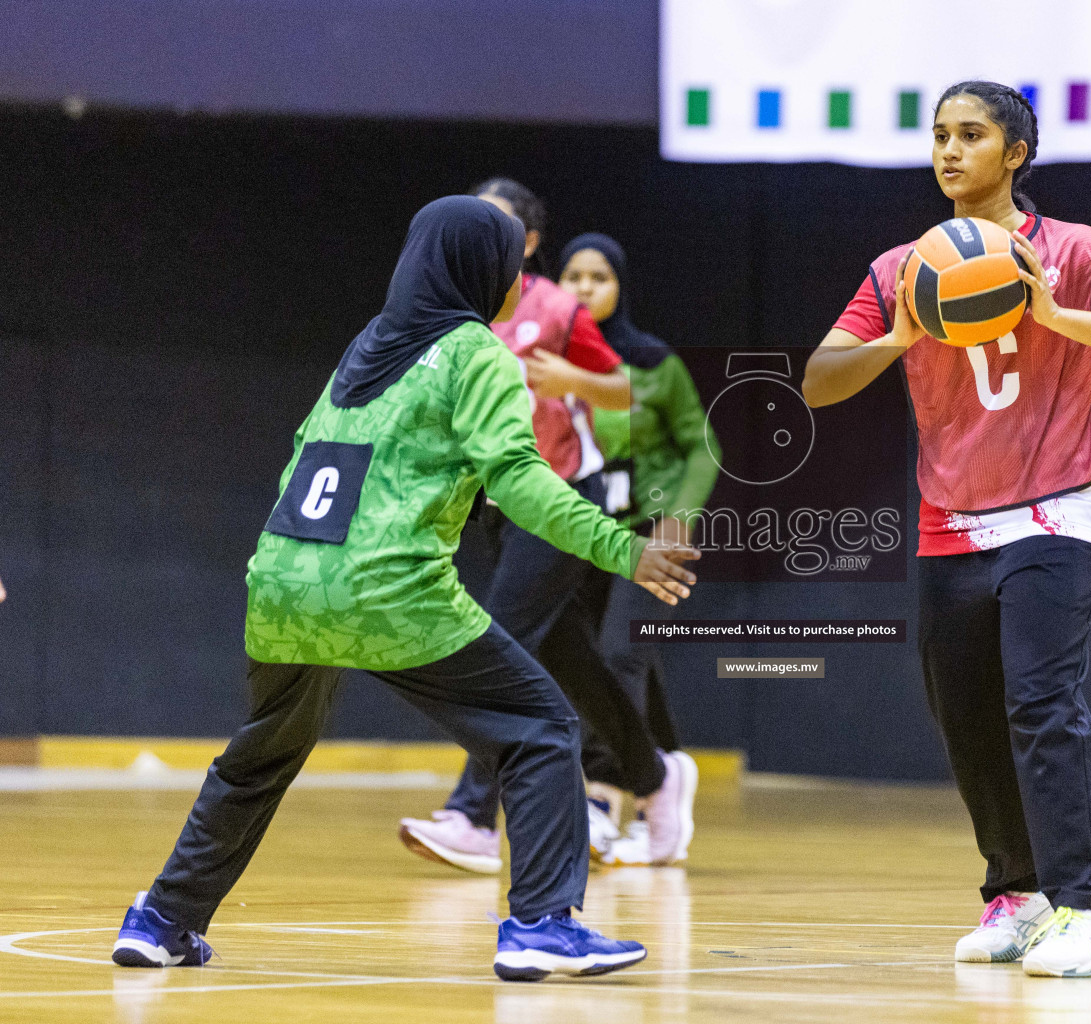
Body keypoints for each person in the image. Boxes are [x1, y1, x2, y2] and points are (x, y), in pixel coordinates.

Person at [110, 196, 699, 982]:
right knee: (539, 727)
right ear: (478, 268)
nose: (519, 274)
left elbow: (299, 455)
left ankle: (161, 918)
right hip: (387, 588)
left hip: (282, 579)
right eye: (506, 258)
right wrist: (619, 547)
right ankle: (542, 926)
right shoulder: (476, 351)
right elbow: (520, 481)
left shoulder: (368, 345)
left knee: (259, 756)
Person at [801, 81, 1091, 978]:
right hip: (952, 515)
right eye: (939, 135)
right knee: (963, 712)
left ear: (1015, 153)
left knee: (1039, 700)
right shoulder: (901, 266)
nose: (948, 151)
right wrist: (895, 339)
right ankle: (1014, 895)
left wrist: (1056, 316)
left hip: (1059, 505)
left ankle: (1086, 911)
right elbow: (819, 380)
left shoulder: (1077, 251)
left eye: (971, 135)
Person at [399, 183, 698, 873]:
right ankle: (652, 775)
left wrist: (571, 376)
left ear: (528, 243)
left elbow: (635, 390)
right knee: (568, 657)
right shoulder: (454, 315)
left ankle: (472, 814)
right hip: (497, 508)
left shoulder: (558, 310)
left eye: (495, 224)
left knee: (492, 640)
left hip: (562, 493)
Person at [559, 232, 719, 866]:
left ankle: (600, 798)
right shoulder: (548, 362)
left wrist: (678, 521)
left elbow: (702, 448)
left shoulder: (653, 362)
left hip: (647, 533)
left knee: (620, 655)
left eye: (598, 278)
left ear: (619, 286)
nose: (584, 289)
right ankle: (666, 774)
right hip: (580, 534)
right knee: (626, 669)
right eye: (572, 277)